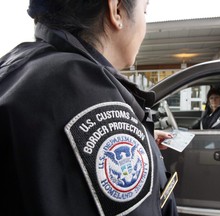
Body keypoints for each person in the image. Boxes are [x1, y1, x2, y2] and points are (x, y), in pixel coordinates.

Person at [0, 1, 178, 215]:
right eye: (145, 9)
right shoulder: (86, 92)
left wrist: (142, 138)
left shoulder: (17, 67)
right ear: (117, 10)